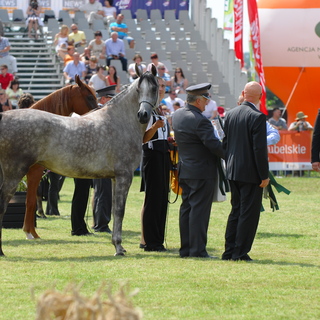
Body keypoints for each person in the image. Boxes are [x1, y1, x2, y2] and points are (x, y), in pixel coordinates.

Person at [171, 83, 225, 258]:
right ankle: (197, 250)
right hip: (201, 171)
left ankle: (186, 249)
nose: (208, 103)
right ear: (199, 100)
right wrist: (231, 153)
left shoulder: (177, 115)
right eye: (206, 100)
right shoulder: (200, 120)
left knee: (186, 209)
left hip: (185, 169)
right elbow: (214, 146)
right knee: (199, 211)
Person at [221, 81, 269, 262]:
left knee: (235, 211)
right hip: (250, 173)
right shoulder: (257, 116)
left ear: (243, 93)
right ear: (260, 97)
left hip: (233, 170)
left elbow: (225, 144)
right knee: (248, 213)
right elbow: (259, 149)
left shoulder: (231, 114)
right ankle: (240, 252)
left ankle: (229, 250)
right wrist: (264, 176)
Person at [140, 77, 171, 252]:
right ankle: (149, 241)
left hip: (163, 153)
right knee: (152, 199)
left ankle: (156, 238)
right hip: (152, 154)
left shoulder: (160, 109)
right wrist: (154, 127)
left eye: (164, 86)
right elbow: (142, 138)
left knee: (160, 198)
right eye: (158, 86)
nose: (161, 89)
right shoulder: (147, 109)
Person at [92, 85, 117, 233]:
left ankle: (99, 222)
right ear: (103, 99)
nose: (112, 101)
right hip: (102, 157)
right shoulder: (100, 113)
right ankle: (101, 224)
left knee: (101, 191)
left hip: (102, 156)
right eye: (110, 98)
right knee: (104, 191)